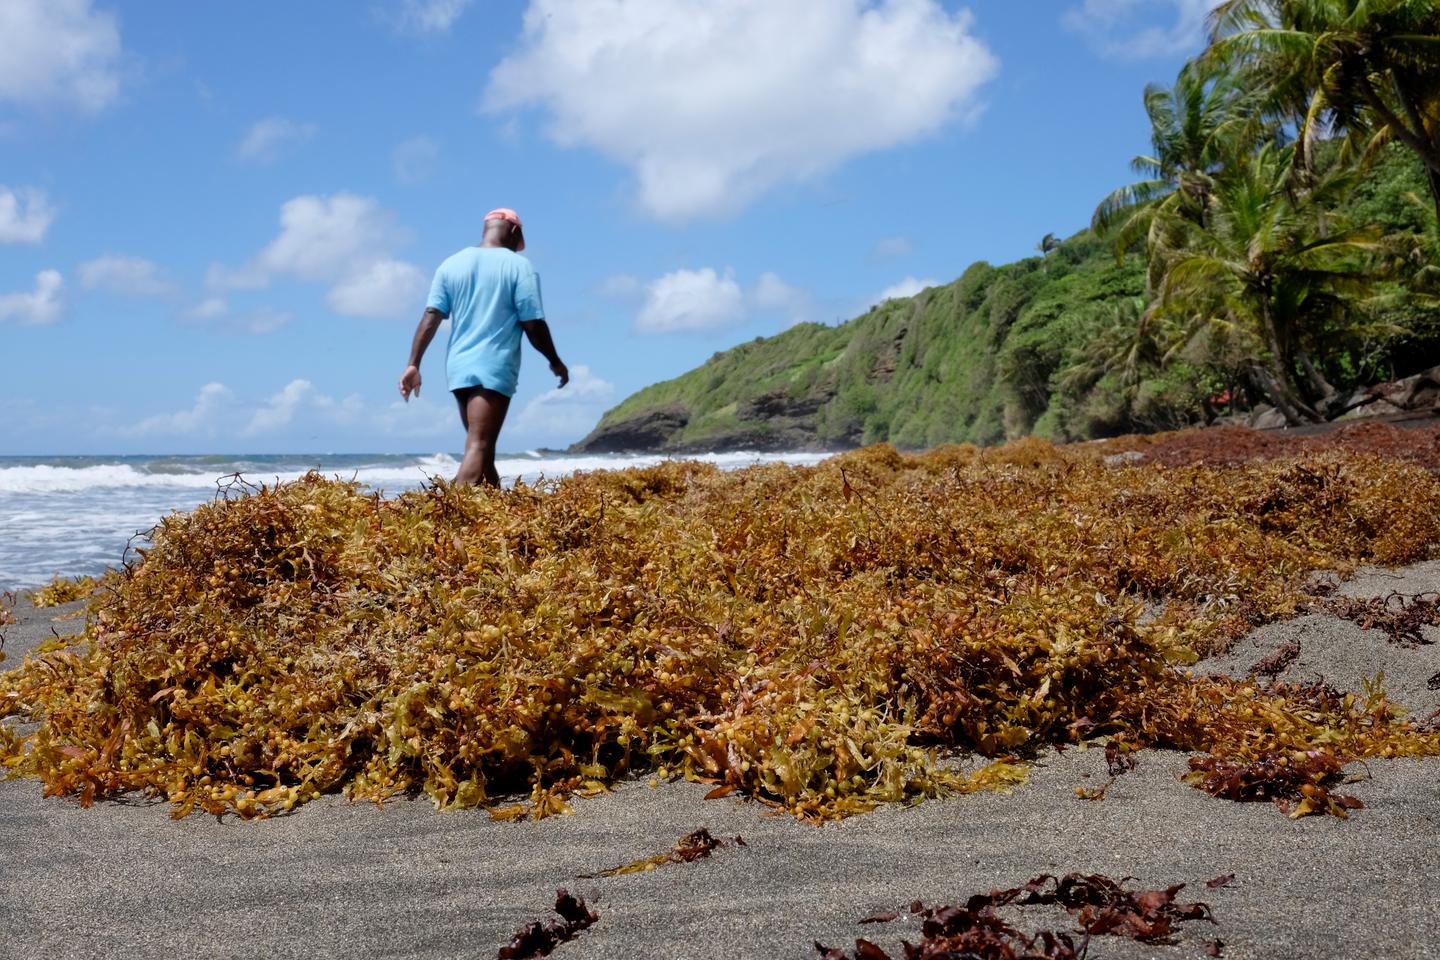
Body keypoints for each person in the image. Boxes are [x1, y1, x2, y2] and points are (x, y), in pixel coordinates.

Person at [398, 208, 569, 487]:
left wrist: (413, 363)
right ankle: (451, 517)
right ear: (515, 232)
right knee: (478, 445)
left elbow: (431, 315)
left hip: (458, 369)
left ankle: (496, 518)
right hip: (493, 367)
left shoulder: (450, 264)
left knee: (483, 450)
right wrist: (555, 361)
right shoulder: (518, 266)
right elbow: (533, 324)